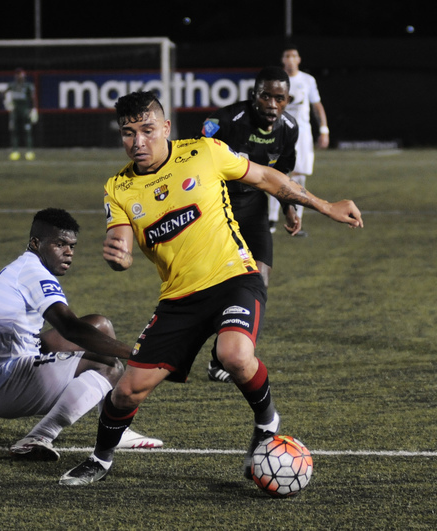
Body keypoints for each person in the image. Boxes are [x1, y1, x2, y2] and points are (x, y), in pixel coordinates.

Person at [59, 91, 362, 486]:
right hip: (178, 299)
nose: (138, 142)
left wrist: (326, 206)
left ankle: (267, 419)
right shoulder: (118, 187)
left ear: (166, 127)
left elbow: (267, 177)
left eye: (147, 130)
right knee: (127, 392)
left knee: (233, 354)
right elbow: (121, 242)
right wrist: (120, 257)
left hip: (234, 277)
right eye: (128, 133)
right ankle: (100, 460)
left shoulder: (205, 152)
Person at [0, 208, 162, 460]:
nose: (68, 252)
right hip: (3, 388)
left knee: (99, 325)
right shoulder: (34, 274)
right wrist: (138, 354)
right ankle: (40, 436)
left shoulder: (12, 272)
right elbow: (70, 329)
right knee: (110, 365)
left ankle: (118, 429)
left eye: (71, 245)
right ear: (35, 243)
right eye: (59, 244)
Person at [200, 66, 300, 383]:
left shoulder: (288, 128)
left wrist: (289, 209)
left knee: (260, 279)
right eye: (266, 95)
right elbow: (194, 157)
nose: (272, 103)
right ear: (254, 96)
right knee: (217, 286)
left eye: (279, 98)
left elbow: (281, 172)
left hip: (255, 207)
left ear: (287, 100)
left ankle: (224, 356)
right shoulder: (225, 121)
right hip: (218, 209)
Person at [268, 44, 330, 237]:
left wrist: (324, 129)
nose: (291, 59)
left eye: (294, 55)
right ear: (283, 60)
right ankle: (271, 219)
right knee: (275, 174)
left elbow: (317, 105)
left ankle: (297, 221)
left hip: (302, 134)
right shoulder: (276, 80)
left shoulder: (307, 80)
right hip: (279, 132)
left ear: (299, 59)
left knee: (299, 176)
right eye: (287, 56)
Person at [4, 68, 38, 161]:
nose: (19, 76)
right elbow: (4, 94)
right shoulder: (11, 85)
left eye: (21, 74)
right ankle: (15, 151)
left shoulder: (28, 86)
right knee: (14, 131)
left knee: (27, 131)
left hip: (25, 111)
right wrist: (7, 103)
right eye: (17, 74)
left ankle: (29, 151)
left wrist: (34, 109)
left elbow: (32, 97)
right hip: (15, 112)